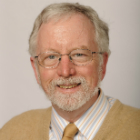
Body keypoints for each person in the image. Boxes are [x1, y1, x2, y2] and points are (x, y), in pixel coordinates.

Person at [0, 2, 140, 140]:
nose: (66, 71)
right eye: (51, 56)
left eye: (79, 54)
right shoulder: (11, 133)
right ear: (35, 69)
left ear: (102, 64)